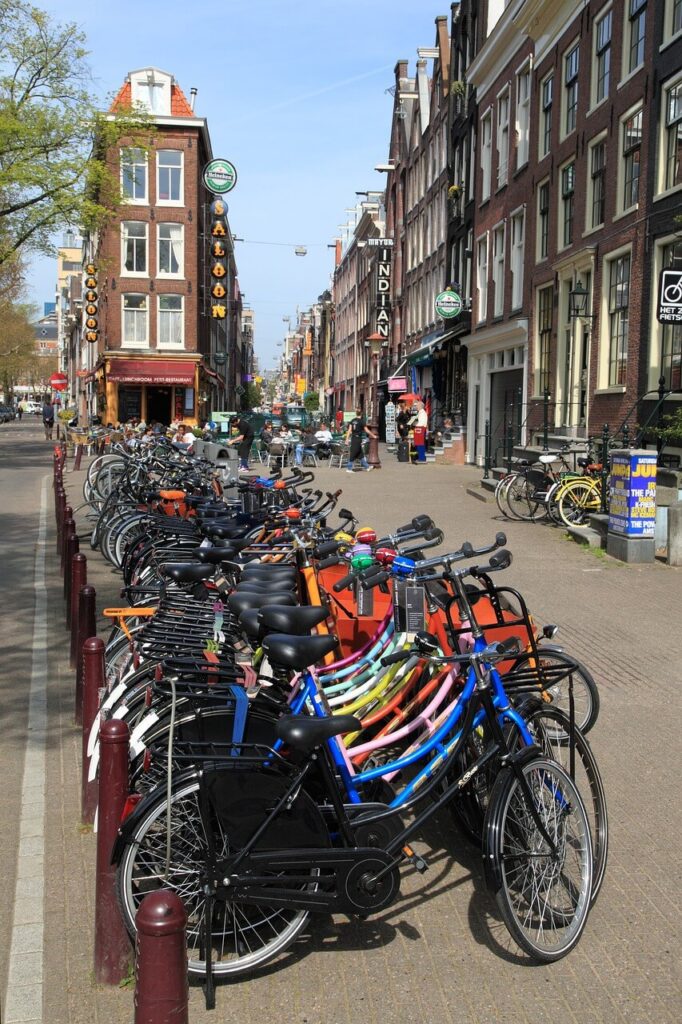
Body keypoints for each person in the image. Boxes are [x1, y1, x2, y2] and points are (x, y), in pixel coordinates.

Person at [345, 407, 377, 472]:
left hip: (353, 438)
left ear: (356, 414)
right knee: (353, 453)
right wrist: (373, 435)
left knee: (360, 454)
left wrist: (347, 439)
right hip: (358, 438)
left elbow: (349, 430)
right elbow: (366, 430)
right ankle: (349, 468)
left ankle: (367, 467)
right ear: (361, 414)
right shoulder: (362, 421)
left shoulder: (352, 420)